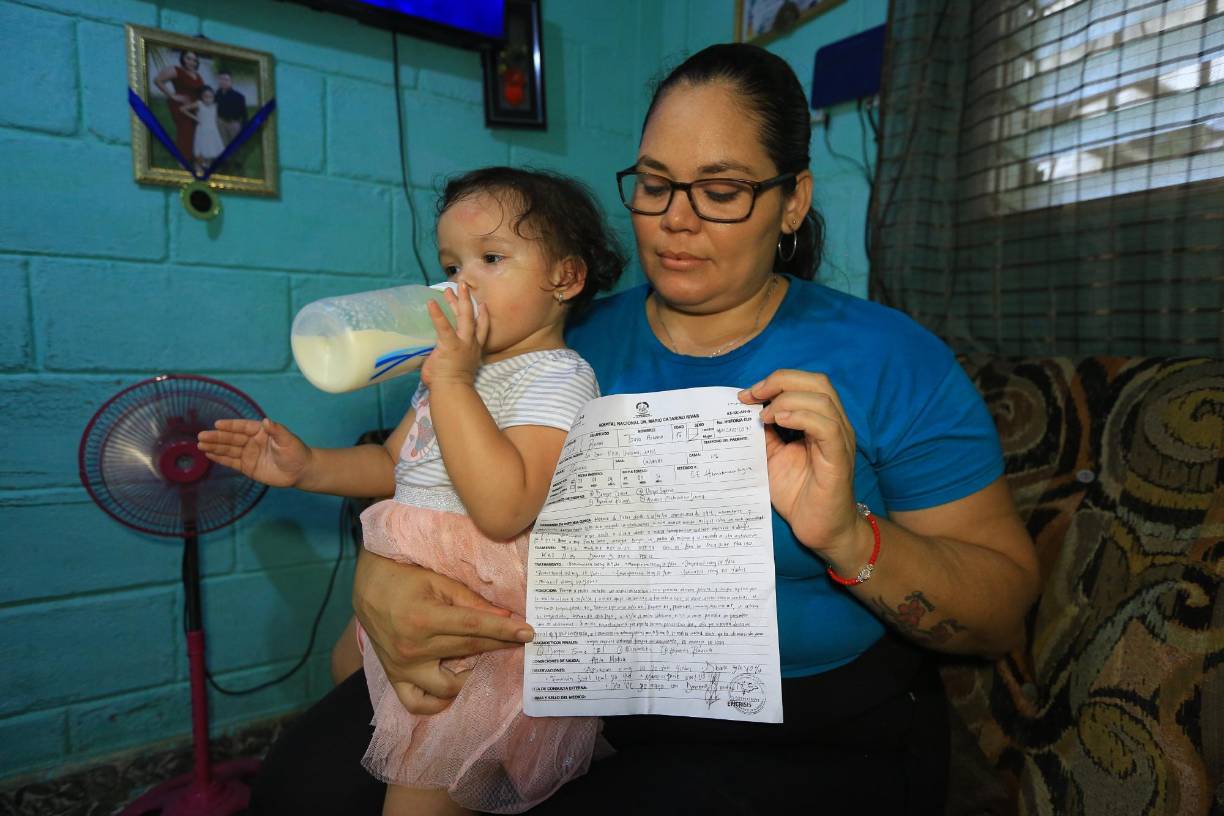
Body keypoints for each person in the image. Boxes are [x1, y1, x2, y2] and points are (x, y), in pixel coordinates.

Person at [249, 43, 1041, 815]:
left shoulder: (889, 357)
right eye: (655, 184)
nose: (674, 220)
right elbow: (423, 469)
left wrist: (847, 538)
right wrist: (378, 581)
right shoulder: (556, 338)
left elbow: (1001, 608)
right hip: (551, 692)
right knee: (299, 789)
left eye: (721, 190)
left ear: (792, 200)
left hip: (803, 732)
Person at [199, 168, 626, 814]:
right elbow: (395, 462)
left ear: (564, 278)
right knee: (347, 667)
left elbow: (506, 505)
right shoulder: (446, 372)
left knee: (422, 783)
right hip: (413, 574)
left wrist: (454, 384)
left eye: (491, 258)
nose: (462, 284)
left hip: (475, 614)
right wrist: (307, 466)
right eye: (453, 264)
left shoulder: (558, 377)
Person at [152, 50, 204, 164]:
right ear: (183, 59)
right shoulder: (176, 70)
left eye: (194, 60)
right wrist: (173, 96)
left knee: (196, 131)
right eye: (188, 58)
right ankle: (183, 159)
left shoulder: (197, 75)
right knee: (185, 130)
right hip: (181, 105)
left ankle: (194, 156)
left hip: (195, 106)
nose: (191, 62)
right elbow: (157, 80)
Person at [181, 86, 225, 175]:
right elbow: (183, 109)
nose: (208, 99)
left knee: (211, 151)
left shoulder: (215, 106)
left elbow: (215, 119)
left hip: (212, 131)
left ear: (213, 97)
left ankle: (208, 169)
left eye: (210, 97)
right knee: (201, 151)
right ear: (202, 96)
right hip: (202, 130)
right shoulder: (199, 104)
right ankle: (198, 169)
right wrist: (195, 118)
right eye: (206, 96)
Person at [214, 71, 248, 173]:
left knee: (236, 145)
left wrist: (244, 126)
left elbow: (244, 113)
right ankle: (225, 164)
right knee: (223, 144)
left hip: (234, 124)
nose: (223, 82)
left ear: (231, 81)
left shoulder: (239, 96)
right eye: (221, 79)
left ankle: (238, 164)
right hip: (221, 123)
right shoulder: (216, 95)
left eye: (226, 79)